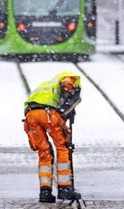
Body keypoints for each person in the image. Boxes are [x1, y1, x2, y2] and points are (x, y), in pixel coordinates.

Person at [23, 71, 82, 203]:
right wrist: (63, 116)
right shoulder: (70, 77)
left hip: (31, 115)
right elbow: (68, 91)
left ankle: (45, 191)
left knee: (44, 152)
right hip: (48, 114)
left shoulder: (47, 85)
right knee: (62, 148)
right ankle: (64, 188)